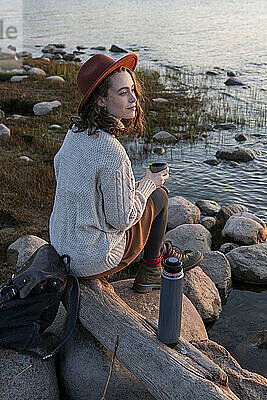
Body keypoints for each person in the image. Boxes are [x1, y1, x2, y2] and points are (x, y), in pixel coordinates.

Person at [49, 53, 202, 293]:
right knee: (159, 196)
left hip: (62, 246)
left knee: (144, 196)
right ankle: (153, 269)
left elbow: (68, 179)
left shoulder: (74, 133)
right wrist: (148, 184)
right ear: (100, 100)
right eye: (123, 93)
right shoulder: (112, 152)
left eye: (132, 89)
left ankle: (161, 251)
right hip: (91, 259)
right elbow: (122, 219)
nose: (134, 99)